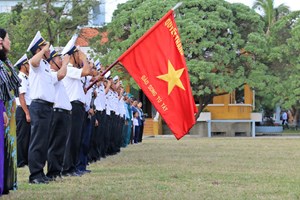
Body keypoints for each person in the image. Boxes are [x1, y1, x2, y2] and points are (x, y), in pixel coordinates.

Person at [27, 31, 57, 184]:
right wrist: (44, 50)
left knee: (44, 141)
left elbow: (58, 77)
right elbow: (33, 61)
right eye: (46, 48)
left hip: (47, 107)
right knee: (37, 141)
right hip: (38, 106)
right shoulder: (36, 63)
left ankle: (41, 173)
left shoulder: (45, 65)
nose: (49, 50)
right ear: (39, 50)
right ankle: (35, 175)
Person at [61, 35, 91, 176]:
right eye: (77, 54)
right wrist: (84, 59)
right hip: (72, 106)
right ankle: (67, 168)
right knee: (71, 139)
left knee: (76, 139)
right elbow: (87, 71)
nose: (80, 57)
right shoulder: (69, 68)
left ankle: (72, 167)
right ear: (72, 55)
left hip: (78, 106)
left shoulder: (73, 69)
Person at [0, 28, 21, 194]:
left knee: (9, 145)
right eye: (8, 38)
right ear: (0, 41)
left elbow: (15, 83)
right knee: (3, 145)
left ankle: (7, 182)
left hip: (9, 108)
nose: (10, 42)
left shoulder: (6, 62)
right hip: (3, 107)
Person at [46, 45, 70, 180]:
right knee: (55, 143)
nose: (61, 61)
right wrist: (66, 63)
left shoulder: (57, 75)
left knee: (61, 143)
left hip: (64, 113)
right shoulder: (51, 74)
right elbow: (61, 74)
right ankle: (52, 172)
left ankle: (57, 170)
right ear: (51, 62)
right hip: (56, 112)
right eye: (58, 59)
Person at [15, 54, 31, 168]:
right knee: (22, 136)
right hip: (22, 109)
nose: (29, 66)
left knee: (28, 136)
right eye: (27, 64)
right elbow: (21, 96)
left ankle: (25, 160)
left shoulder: (27, 77)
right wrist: (27, 113)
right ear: (23, 66)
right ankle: (20, 161)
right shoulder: (21, 77)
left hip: (27, 108)